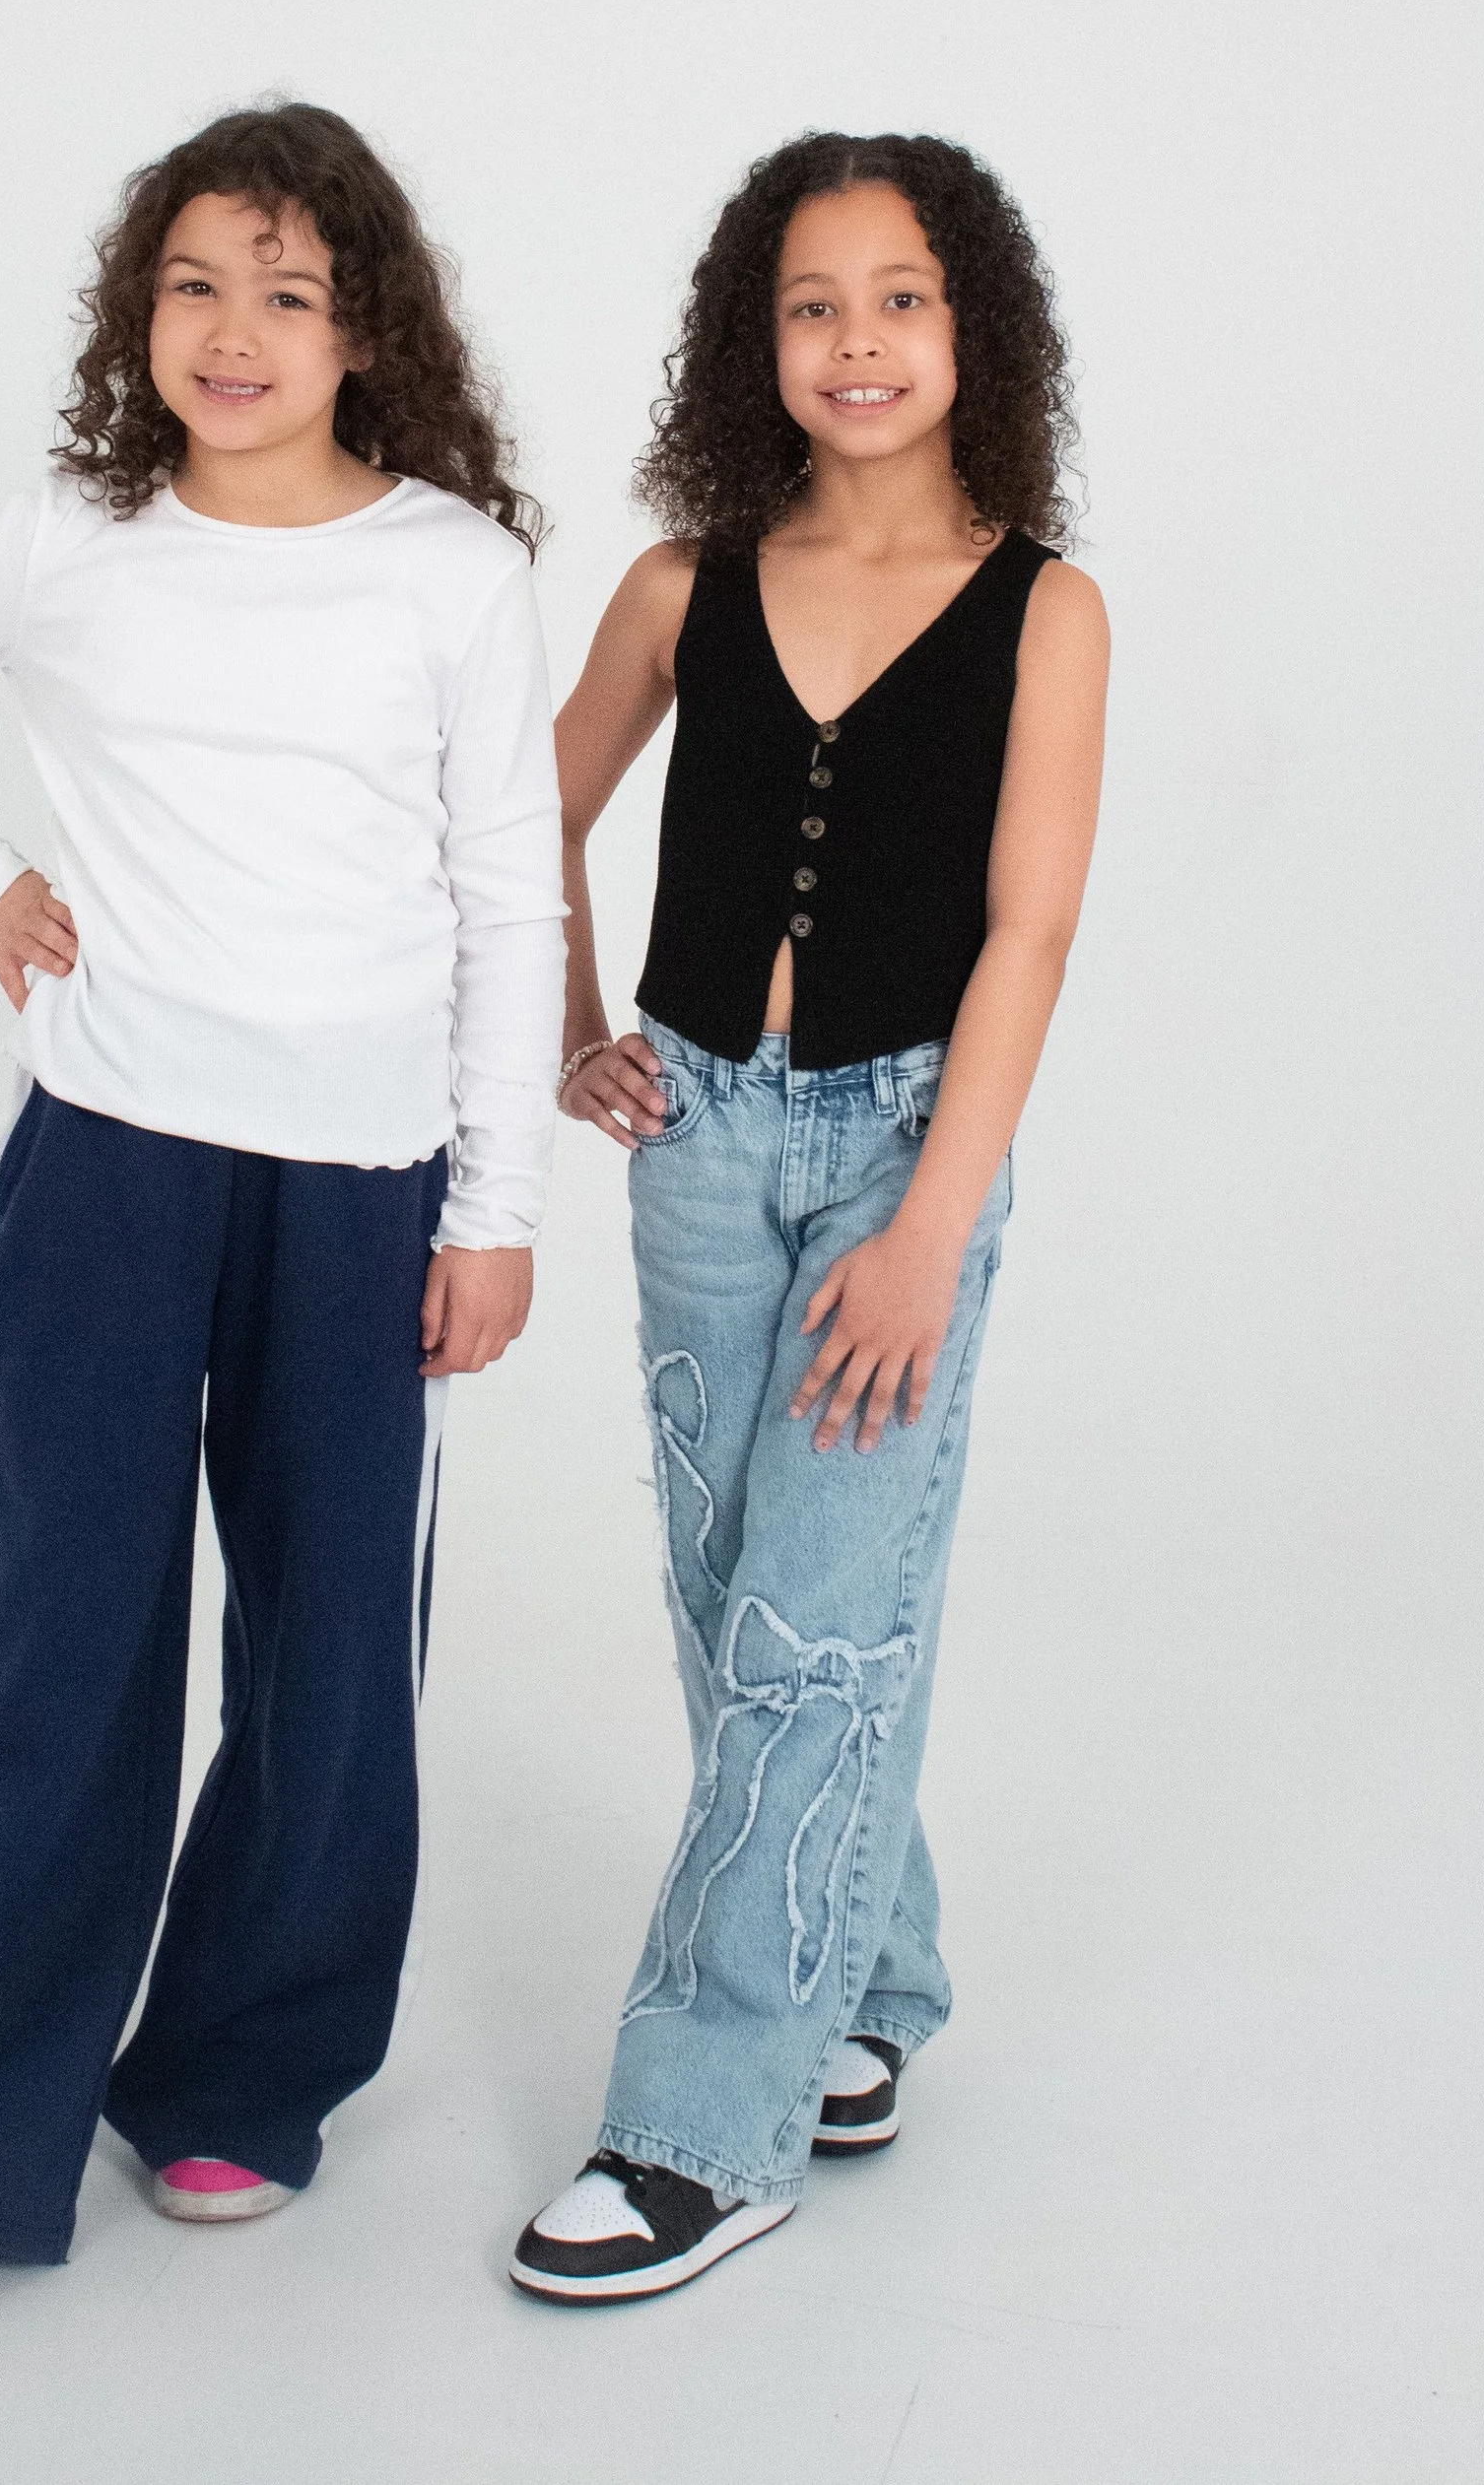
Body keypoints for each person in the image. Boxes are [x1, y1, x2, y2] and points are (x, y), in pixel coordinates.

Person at [0, 103, 563, 2344]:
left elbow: (512, 897)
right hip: (112, 1160)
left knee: (330, 1651)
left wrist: (491, 1208)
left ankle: (237, 2067)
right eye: (197, 282)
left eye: (289, 292)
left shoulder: (449, 572)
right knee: (58, 1632)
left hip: (366, 1180)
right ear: (145, 307)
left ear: (364, 331)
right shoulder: (68, 542)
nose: (234, 331)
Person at [510, 131, 1108, 2303]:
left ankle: (701, 2124)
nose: (855, 342)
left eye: (899, 299)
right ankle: (869, 1970)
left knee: (809, 1631)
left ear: (973, 334)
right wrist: (571, 1030)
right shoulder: (682, 580)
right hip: (697, 1140)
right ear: (750, 344)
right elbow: (521, 817)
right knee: (739, 1594)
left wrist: (930, 1228)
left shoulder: (1046, 606)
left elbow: (1026, 934)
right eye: (811, 305)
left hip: (895, 1154)